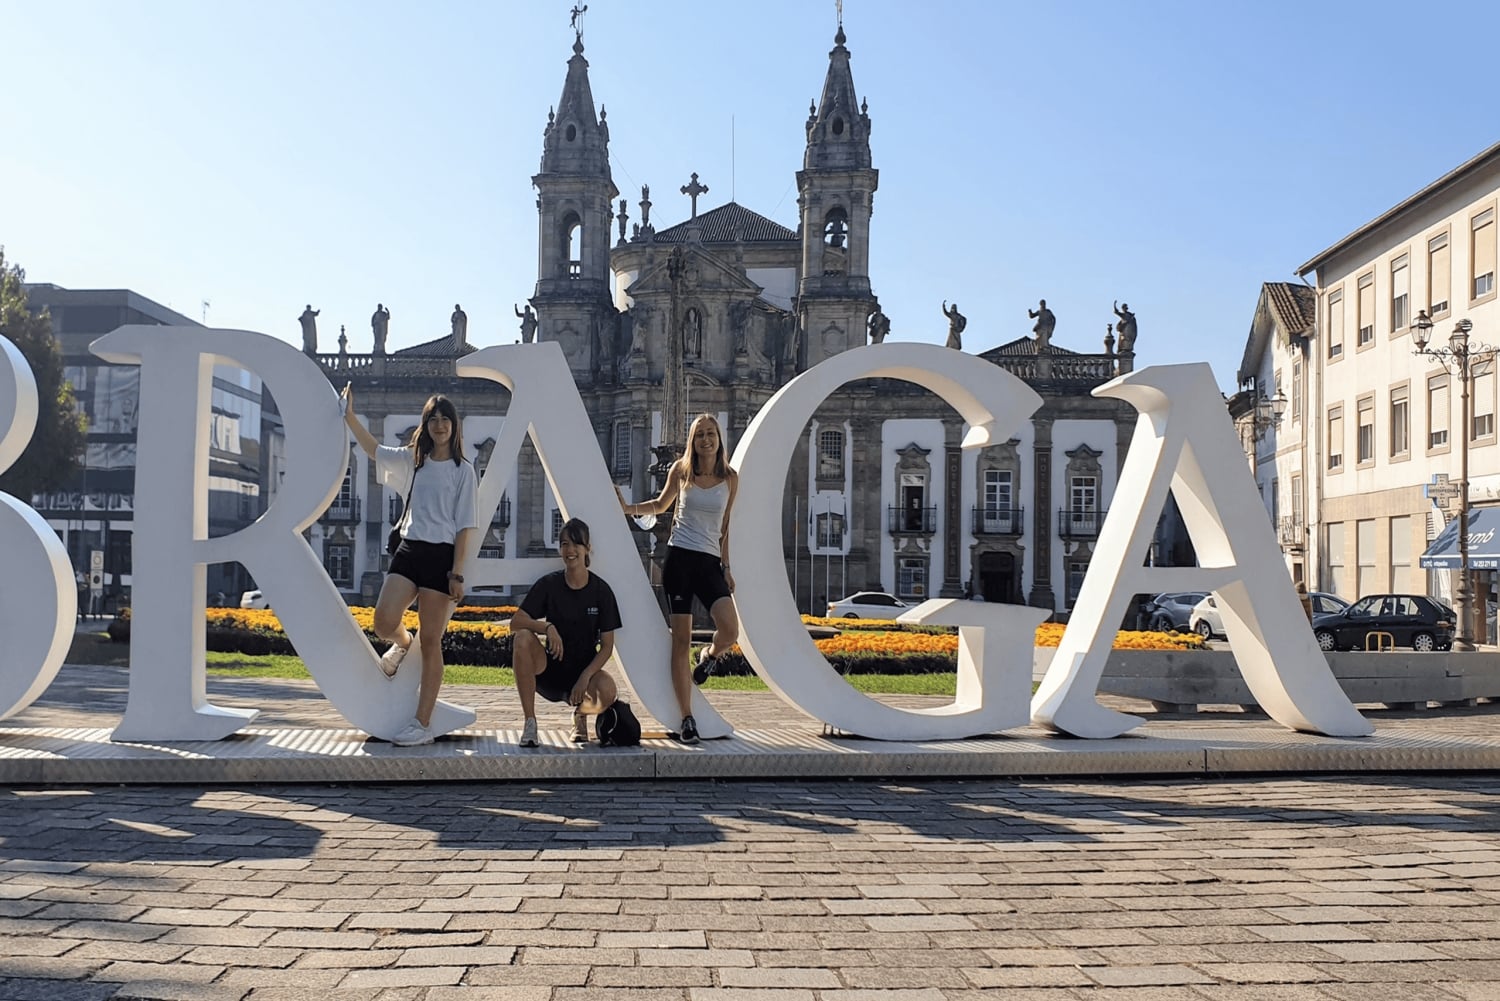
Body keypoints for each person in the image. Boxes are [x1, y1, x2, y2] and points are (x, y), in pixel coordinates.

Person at [342, 384, 478, 746]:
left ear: (454, 425)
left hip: (441, 558)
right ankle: (401, 645)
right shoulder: (411, 461)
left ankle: (421, 723)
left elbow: (465, 525)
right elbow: (373, 450)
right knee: (384, 621)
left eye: (444, 419)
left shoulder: (463, 471)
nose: (439, 424)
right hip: (410, 550)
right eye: (433, 419)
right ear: (426, 425)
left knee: (432, 642)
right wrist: (350, 416)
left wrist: (457, 573)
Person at [616, 413, 739, 745]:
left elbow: (726, 527)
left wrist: (726, 568)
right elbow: (660, 504)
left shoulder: (730, 478)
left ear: (719, 439)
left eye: (711, 434)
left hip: (710, 562)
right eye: (700, 435)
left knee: (730, 630)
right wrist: (627, 509)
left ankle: (710, 657)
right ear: (693, 441)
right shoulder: (681, 471)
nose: (706, 440)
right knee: (680, 641)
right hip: (680, 560)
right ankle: (687, 718)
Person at [509, 518, 622, 747]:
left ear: (587, 548)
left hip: (582, 674)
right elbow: (516, 622)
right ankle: (530, 723)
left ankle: (580, 715)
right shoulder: (550, 584)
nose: (570, 550)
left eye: (576, 544)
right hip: (549, 670)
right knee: (522, 638)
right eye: (564, 544)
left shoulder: (602, 591)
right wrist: (547, 628)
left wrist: (585, 677)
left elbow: (607, 646)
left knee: (608, 690)